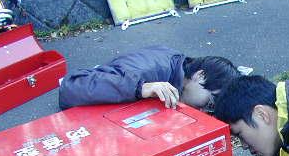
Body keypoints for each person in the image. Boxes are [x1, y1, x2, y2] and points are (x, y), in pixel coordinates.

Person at [58, 46, 240, 112]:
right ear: (200, 76)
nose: (204, 111)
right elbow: (70, 87)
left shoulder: (179, 70)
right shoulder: (149, 70)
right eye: (209, 103)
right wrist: (140, 88)